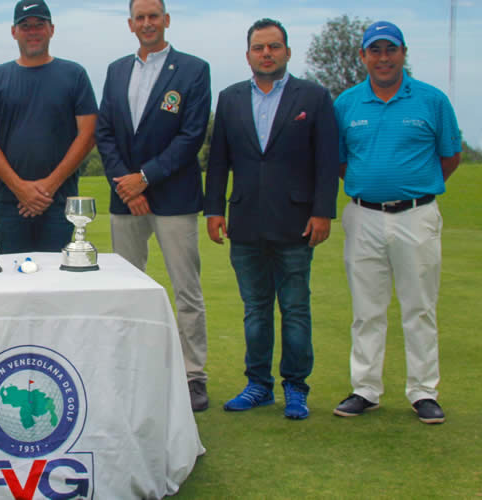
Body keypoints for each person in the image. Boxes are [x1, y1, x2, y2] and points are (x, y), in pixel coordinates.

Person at [205, 18, 339, 420]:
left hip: (296, 221)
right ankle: (258, 385)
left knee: (295, 309)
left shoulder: (313, 97)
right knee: (256, 309)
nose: (267, 53)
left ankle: (295, 387)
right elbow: (218, 162)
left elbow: (326, 160)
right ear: (248, 55)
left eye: (274, 46)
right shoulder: (230, 98)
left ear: (287, 52)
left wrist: (322, 211)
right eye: (259, 47)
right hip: (245, 220)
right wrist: (214, 209)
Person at [332, 21, 461, 425]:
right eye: (375, 51)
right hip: (363, 215)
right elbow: (340, 161)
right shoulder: (347, 104)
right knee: (366, 308)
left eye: (391, 50)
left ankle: (423, 391)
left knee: (418, 307)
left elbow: (450, 156)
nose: (383, 58)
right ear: (363, 56)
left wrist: (412, 187)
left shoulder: (431, 100)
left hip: (416, 214)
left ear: (403, 53)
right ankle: (365, 388)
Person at [96, 0, 212, 411]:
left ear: (166, 20)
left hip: (174, 196)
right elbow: (105, 133)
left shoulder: (194, 70)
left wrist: (144, 177)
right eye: (140, 17)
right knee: (127, 288)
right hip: (126, 197)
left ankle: (193, 375)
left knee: (186, 290)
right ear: (130, 24)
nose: (147, 23)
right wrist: (128, 185)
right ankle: (130, 368)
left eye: (154, 16)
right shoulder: (116, 70)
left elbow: (191, 136)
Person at [0, 0, 98, 253]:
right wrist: (19, 188)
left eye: (39, 25)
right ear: (14, 32)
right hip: (9, 202)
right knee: (12, 273)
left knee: (57, 275)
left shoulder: (74, 74)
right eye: (25, 26)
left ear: (52, 29)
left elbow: (88, 134)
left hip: (58, 200)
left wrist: (48, 186)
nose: (32, 32)